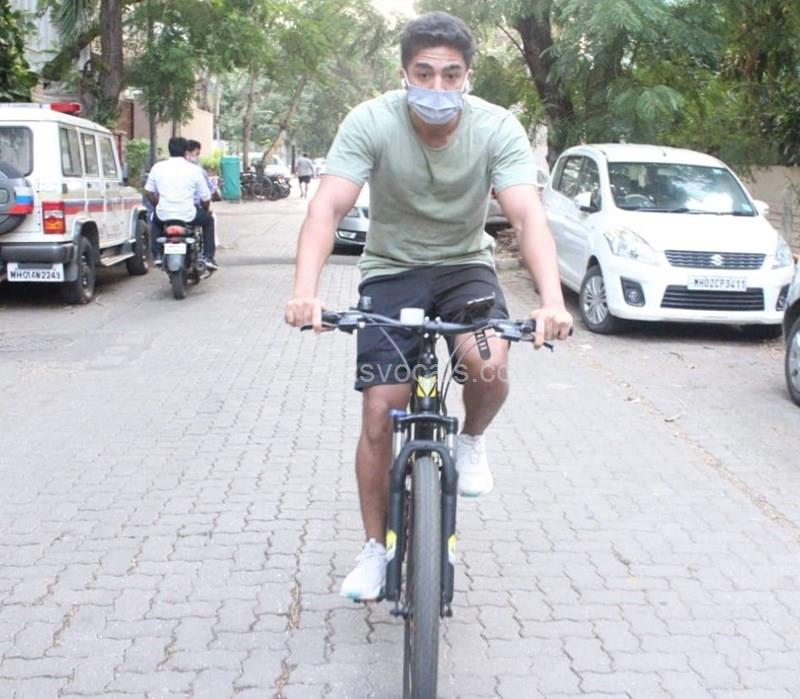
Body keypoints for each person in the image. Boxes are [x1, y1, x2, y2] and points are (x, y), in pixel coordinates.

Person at [284, 11, 573, 601]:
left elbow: (526, 216)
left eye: (450, 75)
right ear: (403, 74)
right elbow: (327, 208)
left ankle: (471, 439)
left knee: (487, 362)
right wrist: (305, 291)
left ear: (468, 76)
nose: (437, 87)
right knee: (380, 410)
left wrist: (551, 301)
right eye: (424, 74)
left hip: (466, 268)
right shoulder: (371, 121)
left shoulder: (496, 128)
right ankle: (376, 549)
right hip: (392, 272)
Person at [144, 136, 218, 270]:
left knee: (155, 220)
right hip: (188, 215)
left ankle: (157, 255)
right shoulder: (194, 170)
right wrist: (205, 210)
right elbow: (205, 197)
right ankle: (208, 257)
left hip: (164, 214)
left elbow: (148, 192)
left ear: (169, 150)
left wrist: (157, 205)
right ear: (185, 151)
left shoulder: (157, 167)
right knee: (209, 221)